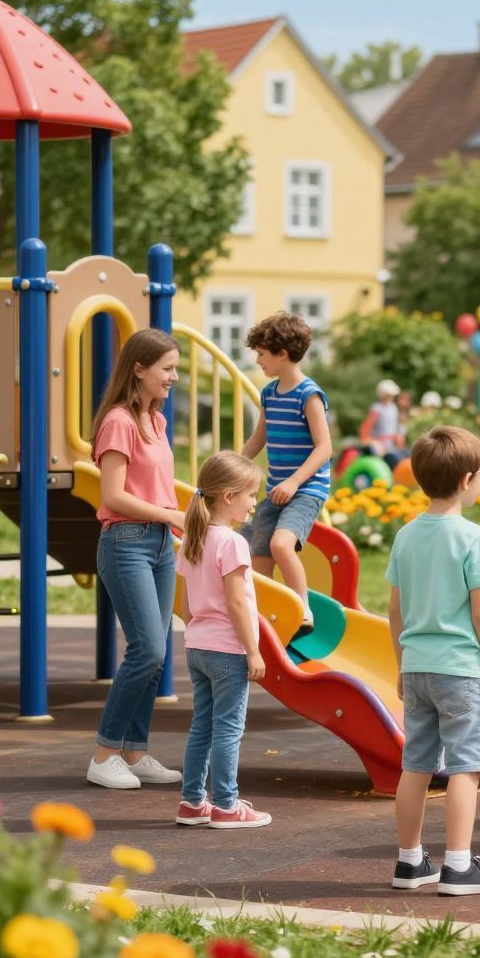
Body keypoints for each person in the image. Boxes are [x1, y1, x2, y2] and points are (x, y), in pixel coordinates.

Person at [387, 426, 480, 895]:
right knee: (466, 766)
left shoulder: (405, 535)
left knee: (415, 765)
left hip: (416, 664)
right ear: (466, 480)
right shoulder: (472, 538)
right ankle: (459, 866)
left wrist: (402, 663)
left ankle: (410, 862)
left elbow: (395, 611)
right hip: (459, 668)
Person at [86, 329, 188, 791]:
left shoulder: (157, 420)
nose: (174, 376)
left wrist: (182, 522)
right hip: (125, 542)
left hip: (161, 545)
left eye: (175, 368)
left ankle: (134, 751)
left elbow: (157, 486)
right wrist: (171, 514)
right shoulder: (119, 422)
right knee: (147, 649)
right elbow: (113, 495)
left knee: (158, 652)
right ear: (140, 369)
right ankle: (105, 754)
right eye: (167, 368)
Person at [174, 451, 272, 830]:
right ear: (228, 497)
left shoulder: (195, 537)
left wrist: (193, 632)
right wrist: (253, 650)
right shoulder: (232, 543)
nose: (254, 503)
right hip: (227, 649)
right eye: (251, 495)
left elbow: (184, 600)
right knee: (228, 727)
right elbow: (236, 602)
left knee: (202, 724)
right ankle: (227, 806)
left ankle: (193, 801)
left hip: (197, 645)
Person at [241, 312, 334, 636]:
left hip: (307, 489)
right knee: (259, 555)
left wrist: (294, 482)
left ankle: (302, 610)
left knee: (282, 545)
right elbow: (258, 438)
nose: (258, 360)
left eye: (262, 354)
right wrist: (234, 463)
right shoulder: (269, 393)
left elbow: (324, 447)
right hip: (276, 491)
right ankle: (266, 616)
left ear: (282, 354)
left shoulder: (309, 395)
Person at [361, 378, 408, 468]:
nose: (390, 397)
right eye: (388, 395)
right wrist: (370, 442)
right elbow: (366, 428)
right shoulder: (377, 408)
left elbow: (396, 429)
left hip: (391, 444)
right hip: (378, 444)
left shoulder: (394, 408)